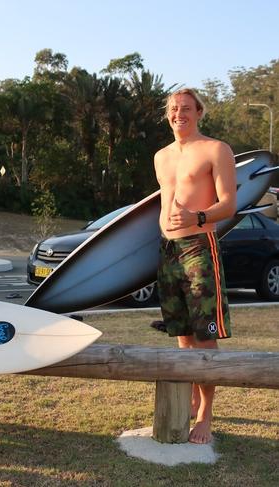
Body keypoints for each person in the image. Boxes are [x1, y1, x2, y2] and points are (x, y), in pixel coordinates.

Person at [154, 88, 236, 443]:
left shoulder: (216, 149)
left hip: (199, 247)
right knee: (183, 333)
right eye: (173, 109)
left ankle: (206, 414)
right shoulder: (161, 156)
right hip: (168, 248)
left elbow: (229, 204)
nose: (179, 114)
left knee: (206, 334)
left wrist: (196, 215)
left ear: (199, 112)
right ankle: (188, 397)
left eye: (186, 108)